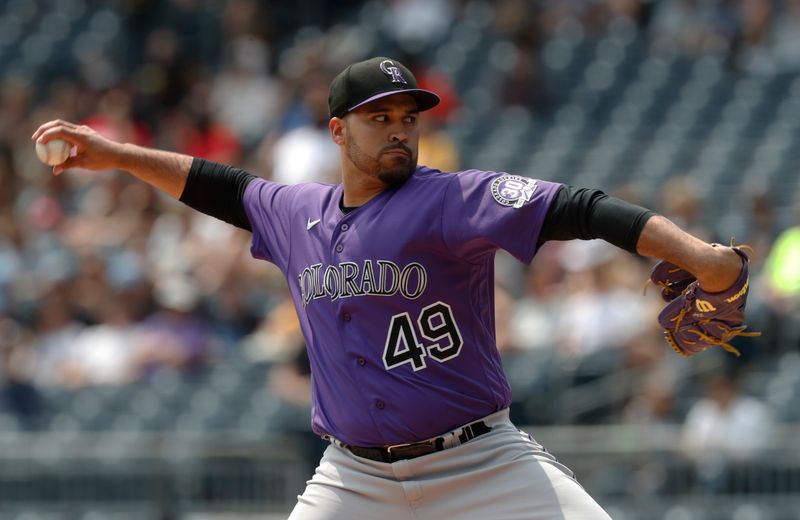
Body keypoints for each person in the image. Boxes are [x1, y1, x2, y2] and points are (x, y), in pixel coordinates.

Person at [33, 56, 748, 519]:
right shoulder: (295, 213)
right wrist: (115, 154)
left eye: (408, 118)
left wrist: (707, 261)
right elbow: (214, 184)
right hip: (354, 481)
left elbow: (581, 208)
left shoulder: (450, 200)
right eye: (381, 119)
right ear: (339, 132)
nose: (400, 131)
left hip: (481, 463)